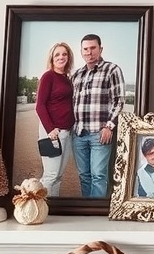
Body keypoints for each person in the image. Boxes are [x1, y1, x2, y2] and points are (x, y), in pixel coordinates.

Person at [71, 33, 125, 198]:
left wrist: (109, 126)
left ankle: (96, 213)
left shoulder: (112, 70)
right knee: (84, 176)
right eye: (85, 49)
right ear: (81, 52)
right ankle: (87, 213)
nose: (89, 52)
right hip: (79, 134)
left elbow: (119, 101)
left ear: (100, 49)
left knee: (98, 176)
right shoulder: (77, 75)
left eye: (93, 48)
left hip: (100, 134)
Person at [35, 41, 75, 197]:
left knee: (58, 176)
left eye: (64, 54)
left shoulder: (66, 78)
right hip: (52, 132)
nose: (61, 57)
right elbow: (40, 106)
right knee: (50, 175)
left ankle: (54, 208)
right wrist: (50, 129)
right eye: (57, 54)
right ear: (52, 58)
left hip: (67, 133)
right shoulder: (48, 76)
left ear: (69, 57)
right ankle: (39, 207)